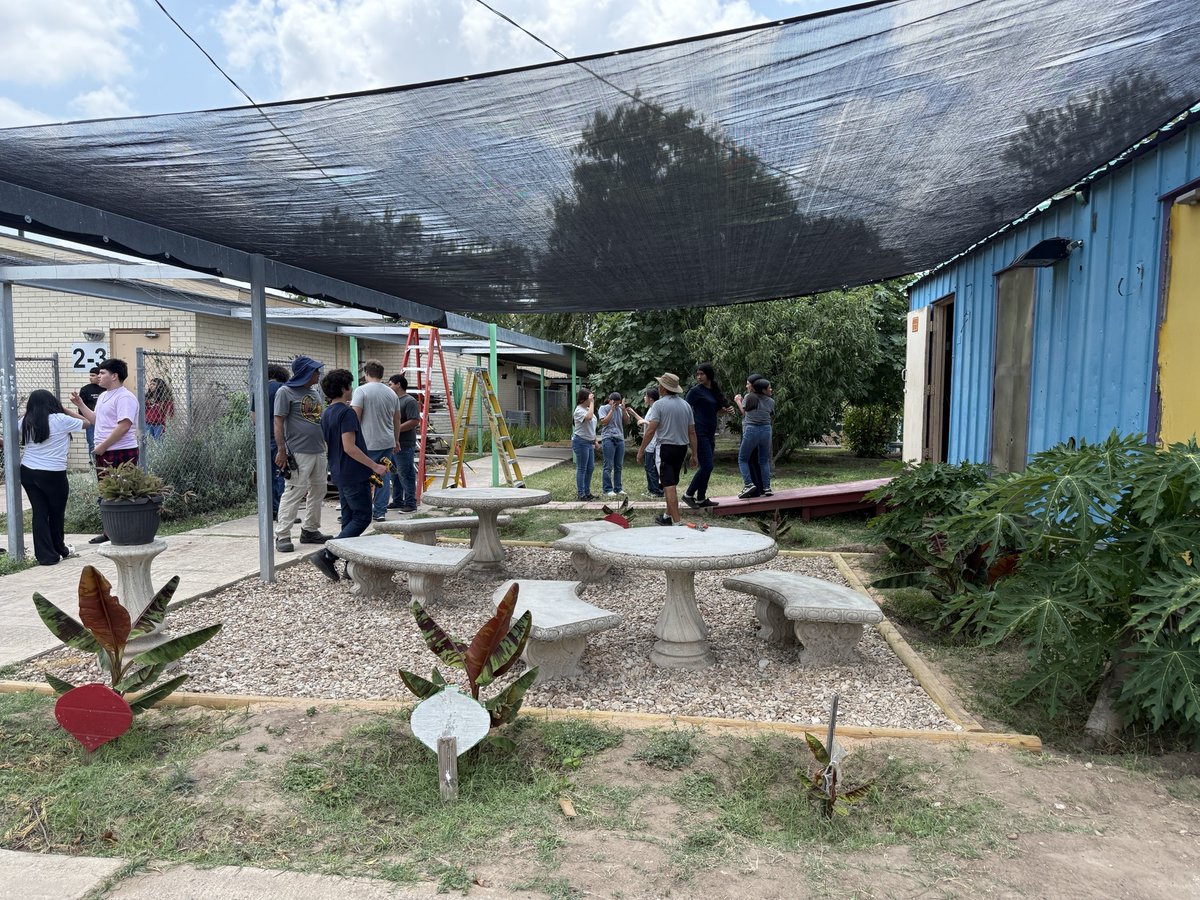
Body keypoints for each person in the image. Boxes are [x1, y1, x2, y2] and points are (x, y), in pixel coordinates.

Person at [312, 369, 389, 582]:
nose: (352, 389)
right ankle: (328, 554)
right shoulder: (346, 414)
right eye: (350, 385)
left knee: (348, 520)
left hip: (338, 472)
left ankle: (350, 567)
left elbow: (331, 445)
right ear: (344, 388)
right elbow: (349, 447)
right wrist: (375, 466)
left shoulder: (327, 413)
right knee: (363, 517)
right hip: (354, 474)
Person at [70, 357, 139, 545]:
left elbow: (124, 426)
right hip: (104, 451)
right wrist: (80, 405)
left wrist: (103, 446)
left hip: (121, 451)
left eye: (102, 373)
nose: (98, 376)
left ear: (114, 376)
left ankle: (126, 531)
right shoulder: (103, 396)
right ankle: (109, 531)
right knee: (106, 492)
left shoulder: (124, 397)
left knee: (122, 491)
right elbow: (96, 420)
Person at [272, 355, 331, 553]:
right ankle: (282, 535)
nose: (318, 374)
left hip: (318, 449)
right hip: (298, 451)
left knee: (319, 490)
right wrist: (282, 449)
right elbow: (278, 421)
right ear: (306, 372)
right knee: (294, 490)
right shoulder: (285, 392)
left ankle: (310, 530)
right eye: (315, 371)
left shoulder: (314, 393)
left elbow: (318, 420)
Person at [17, 390, 83, 565]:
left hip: (28, 471)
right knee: (56, 512)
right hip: (53, 473)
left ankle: (46, 556)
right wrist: (65, 409)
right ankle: (59, 548)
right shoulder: (61, 420)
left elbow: (8, 439)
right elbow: (88, 423)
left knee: (39, 512)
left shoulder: (24, 421)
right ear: (52, 403)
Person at [637, 373, 698, 526]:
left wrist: (641, 450)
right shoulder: (686, 405)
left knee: (668, 486)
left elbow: (650, 430)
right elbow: (692, 432)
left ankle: (677, 523)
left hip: (664, 449)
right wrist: (694, 454)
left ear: (663, 387)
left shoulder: (659, 405)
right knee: (670, 483)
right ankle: (666, 517)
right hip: (681, 449)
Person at [350, 359, 401, 522]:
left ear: (366, 373)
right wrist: (396, 440)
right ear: (381, 374)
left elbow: (355, 417)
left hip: (367, 441)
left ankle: (361, 510)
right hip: (386, 441)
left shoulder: (361, 391)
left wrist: (351, 439)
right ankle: (380, 512)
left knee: (362, 476)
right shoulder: (391, 393)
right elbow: (397, 419)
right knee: (383, 476)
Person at [682, 362, 731, 509]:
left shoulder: (713, 390)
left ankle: (701, 498)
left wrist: (725, 411)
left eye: (701, 374)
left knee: (706, 466)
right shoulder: (695, 391)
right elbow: (685, 409)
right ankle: (688, 495)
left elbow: (714, 411)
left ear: (709, 374)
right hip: (699, 432)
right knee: (707, 466)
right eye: (697, 374)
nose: (699, 377)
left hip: (710, 432)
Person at [250, 364, 291, 519]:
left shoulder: (259, 388)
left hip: (263, 438)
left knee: (267, 474)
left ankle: (271, 508)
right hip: (281, 436)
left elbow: (254, 417)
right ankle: (283, 510)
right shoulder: (284, 388)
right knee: (282, 472)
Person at [735, 376, 776, 499]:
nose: (771, 389)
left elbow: (744, 412)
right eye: (769, 388)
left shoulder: (748, 398)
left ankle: (748, 484)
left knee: (742, 459)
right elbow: (771, 413)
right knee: (764, 460)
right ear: (763, 390)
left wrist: (738, 401)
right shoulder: (771, 401)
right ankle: (767, 487)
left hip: (751, 430)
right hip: (766, 430)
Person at [387, 373, 422, 512]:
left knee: (405, 473)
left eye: (390, 384)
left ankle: (410, 503)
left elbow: (414, 421)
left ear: (398, 384)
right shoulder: (392, 400)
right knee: (394, 473)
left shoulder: (409, 401)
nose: (389, 387)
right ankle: (397, 501)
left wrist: (396, 429)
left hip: (405, 443)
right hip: (392, 442)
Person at [630, 388, 664, 498]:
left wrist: (645, 422)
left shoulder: (655, 409)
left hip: (653, 443)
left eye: (645, 396)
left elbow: (654, 424)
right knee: (648, 467)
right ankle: (651, 489)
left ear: (650, 398)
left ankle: (656, 491)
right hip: (649, 444)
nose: (644, 398)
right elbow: (645, 422)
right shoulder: (650, 409)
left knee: (651, 467)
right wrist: (634, 414)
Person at [597, 391, 632, 498]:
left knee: (619, 465)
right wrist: (612, 410)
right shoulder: (603, 408)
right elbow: (604, 422)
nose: (616, 405)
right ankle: (607, 489)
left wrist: (624, 410)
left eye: (618, 403)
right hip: (608, 438)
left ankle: (618, 488)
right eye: (615, 403)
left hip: (620, 438)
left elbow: (627, 422)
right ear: (610, 401)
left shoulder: (620, 409)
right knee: (608, 465)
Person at [571, 388, 599, 501]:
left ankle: (587, 492)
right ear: (583, 399)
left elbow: (591, 427)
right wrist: (592, 403)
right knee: (582, 468)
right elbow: (589, 418)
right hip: (581, 442)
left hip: (589, 442)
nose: (592, 400)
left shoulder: (587, 409)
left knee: (590, 468)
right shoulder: (578, 411)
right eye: (590, 398)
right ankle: (581, 494)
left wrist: (595, 440)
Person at [78, 367, 103, 462]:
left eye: (93, 375)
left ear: (99, 376)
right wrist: (84, 419)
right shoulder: (85, 389)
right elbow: (81, 406)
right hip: (90, 421)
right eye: (90, 375)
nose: (90, 378)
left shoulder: (105, 388)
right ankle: (93, 464)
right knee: (92, 442)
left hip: (103, 420)